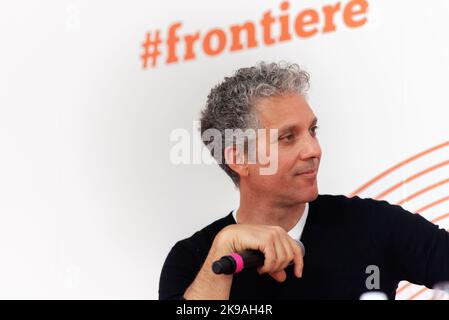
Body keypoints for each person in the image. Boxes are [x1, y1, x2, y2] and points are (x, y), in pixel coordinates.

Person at [159, 61, 449, 300]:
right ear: (239, 159)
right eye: (288, 138)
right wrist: (222, 253)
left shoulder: (373, 224)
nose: (313, 150)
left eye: (313, 130)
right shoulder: (194, 258)